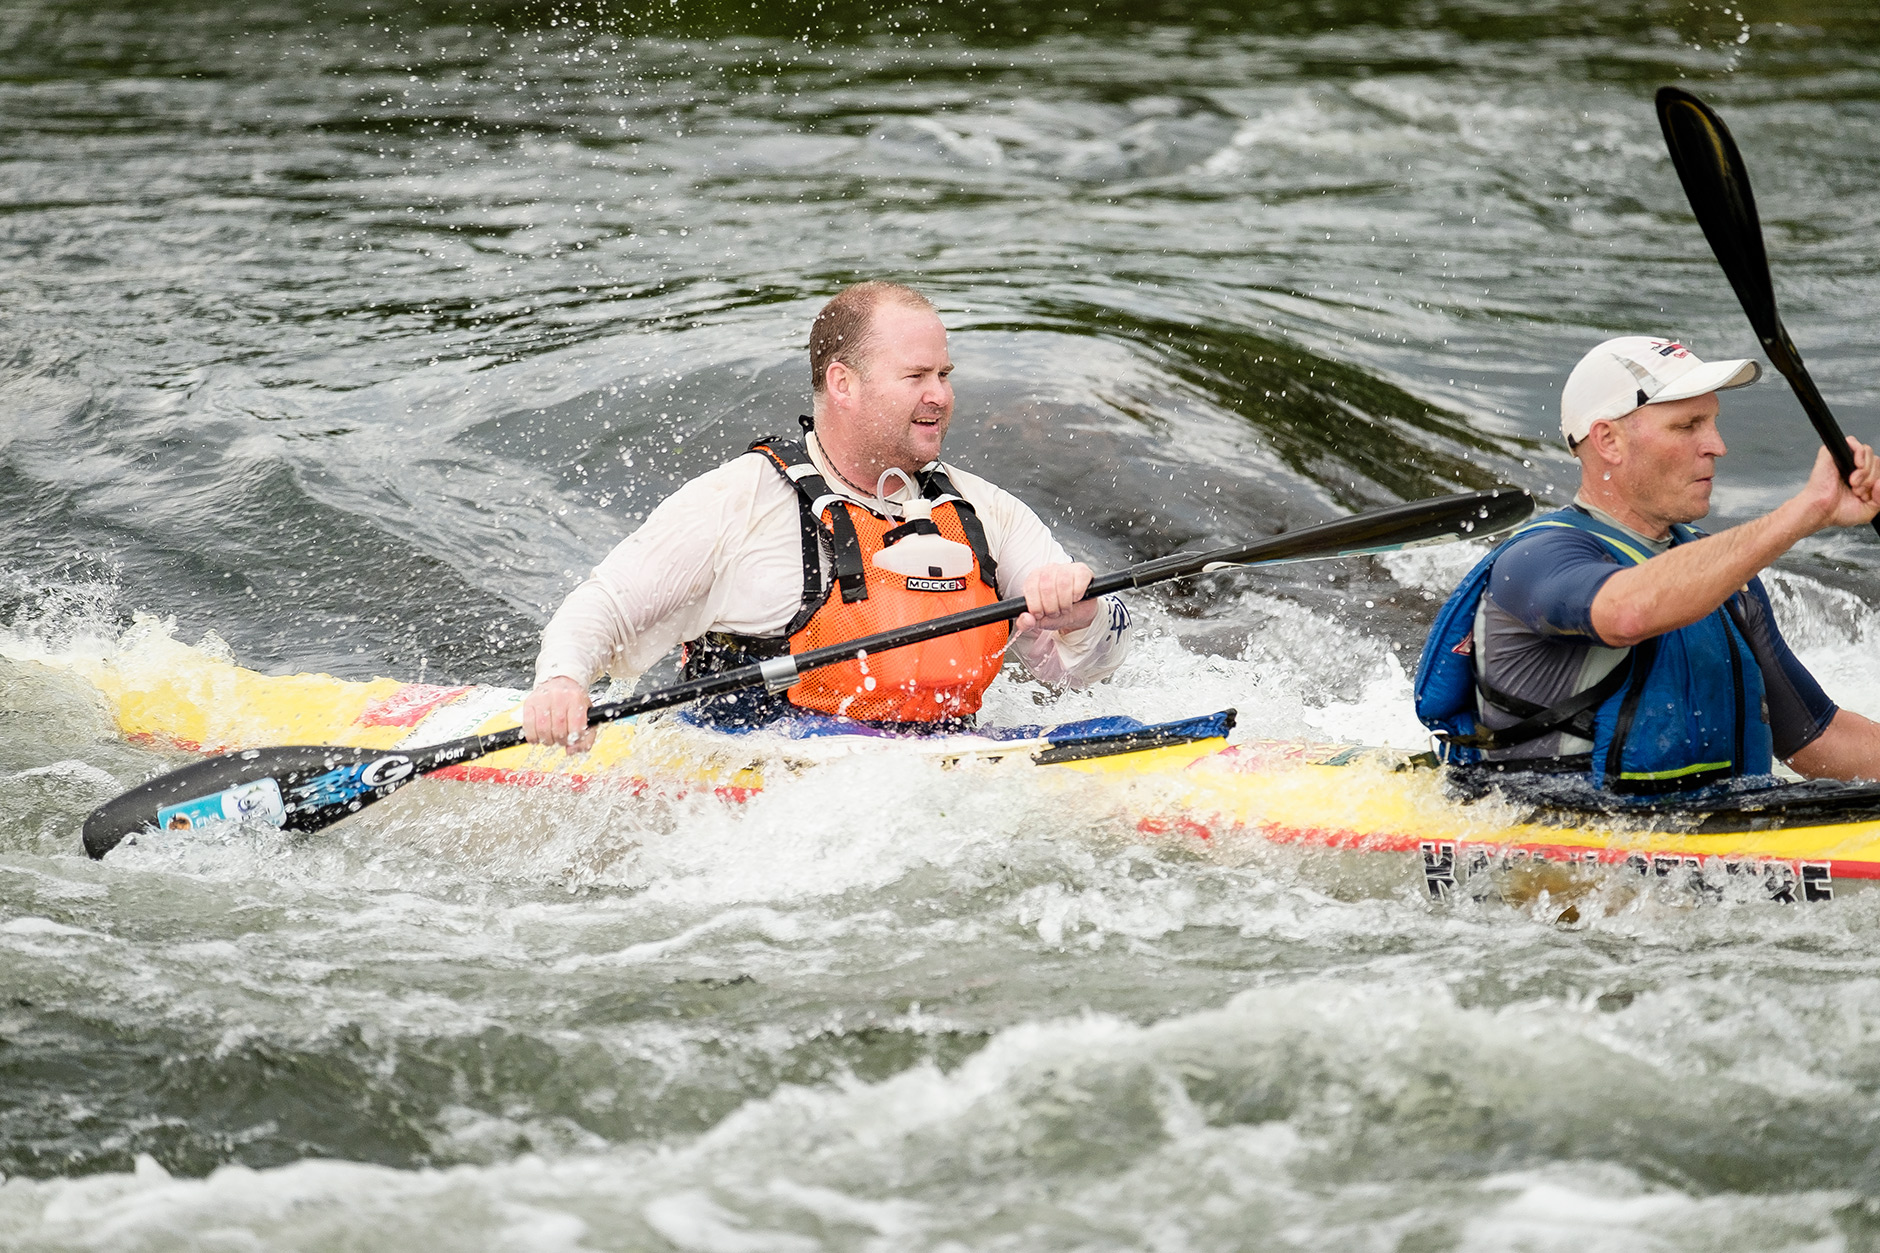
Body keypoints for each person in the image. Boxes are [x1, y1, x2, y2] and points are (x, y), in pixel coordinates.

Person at [521, 281, 1132, 750]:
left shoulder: (984, 513)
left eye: (944, 375)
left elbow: (1082, 674)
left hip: (947, 761)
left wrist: (1081, 616)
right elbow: (605, 605)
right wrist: (561, 682)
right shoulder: (739, 502)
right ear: (843, 383)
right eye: (916, 376)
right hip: (768, 764)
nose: (940, 395)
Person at [1415, 335, 1880, 792]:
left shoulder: (1724, 575)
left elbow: (1819, 737)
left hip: (1712, 834)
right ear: (1609, 441)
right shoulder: (1536, 559)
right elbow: (1626, 612)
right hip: (1566, 850)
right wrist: (1805, 512)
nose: (1717, 445)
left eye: (1713, 422)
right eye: (1688, 426)